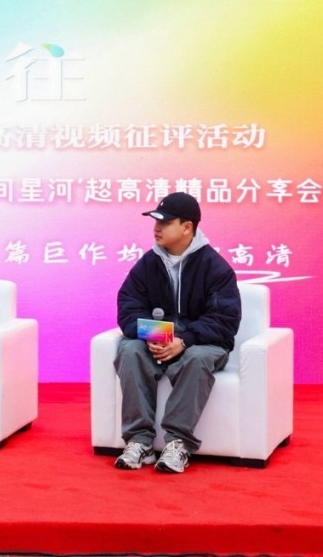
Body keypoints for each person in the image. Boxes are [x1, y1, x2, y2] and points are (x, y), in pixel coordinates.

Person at [113, 192, 241, 473]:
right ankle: (139, 441)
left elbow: (224, 320)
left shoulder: (216, 268)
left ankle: (178, 443)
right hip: (161, 340)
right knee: (130, 350)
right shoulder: (148, 264)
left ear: (187, 227)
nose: (156, 228)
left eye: (166, 222)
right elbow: (128, 308)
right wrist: (158, 336)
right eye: (156, 221)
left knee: (197, 358)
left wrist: (184, 340)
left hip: (203, 343)